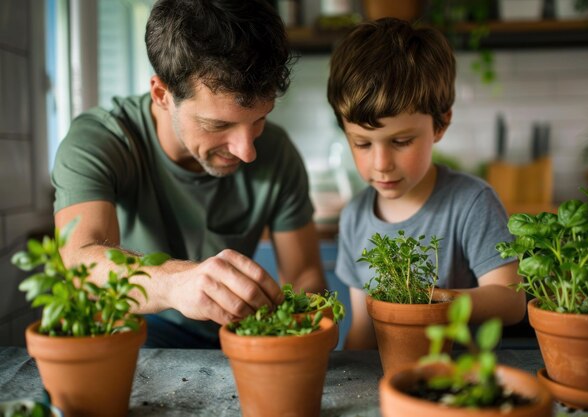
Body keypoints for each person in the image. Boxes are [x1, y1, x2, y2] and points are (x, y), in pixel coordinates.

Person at [51, 0, 326, 348]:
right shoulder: (100, 141)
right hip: (133, 343)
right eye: (218, 125)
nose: (247, 151)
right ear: (162, 94)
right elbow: (81, 259)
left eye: (259, 119)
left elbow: (304, 275)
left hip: (236, 341)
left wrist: (300, 334)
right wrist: (175, 282)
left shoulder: (278, 152)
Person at [326, 18, 526, 350]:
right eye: (362, 144)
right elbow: (362, 325)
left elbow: (511, 302)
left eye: (401, 141)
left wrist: (434, 302)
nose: (381, 163)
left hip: (461, 380)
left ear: (440, 123)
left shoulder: (472, 203)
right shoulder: (355, 217)